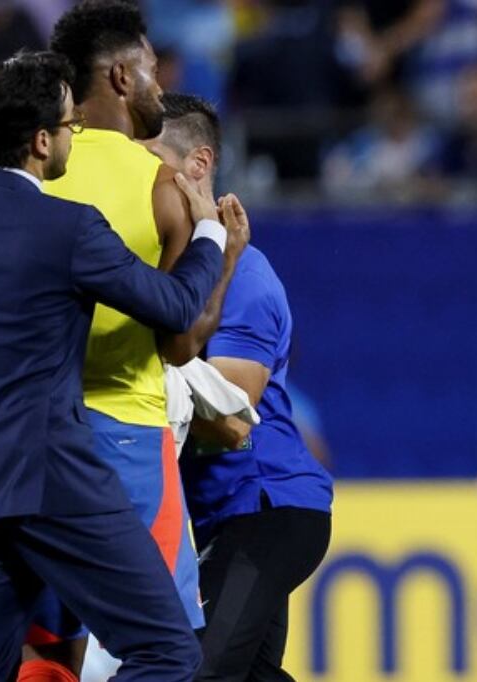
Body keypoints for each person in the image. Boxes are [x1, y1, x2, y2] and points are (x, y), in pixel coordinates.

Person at [0, 50, 245, 682]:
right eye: (66, 127)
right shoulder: (67, 227)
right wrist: (207, 238)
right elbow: (172, 306)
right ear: (39, 143)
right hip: (51, 477)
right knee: (167, 651)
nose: (70, 139)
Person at [24, 1, 238, 675]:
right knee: (160, 642)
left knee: (42, 639)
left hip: (27, 437)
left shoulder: (30, 169)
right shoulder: (161, 184)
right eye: (149, 68)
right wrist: (223, 257)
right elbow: (178, 346)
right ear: (119, 77)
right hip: (127, 439)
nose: (157, 81)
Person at [151, 92, 335, 681]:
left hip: (267, 505)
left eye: (148, 160)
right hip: (217, 514)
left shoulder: (247, 277)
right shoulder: (157, 269)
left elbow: (233, 416)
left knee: (199, 671)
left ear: (197, 167)